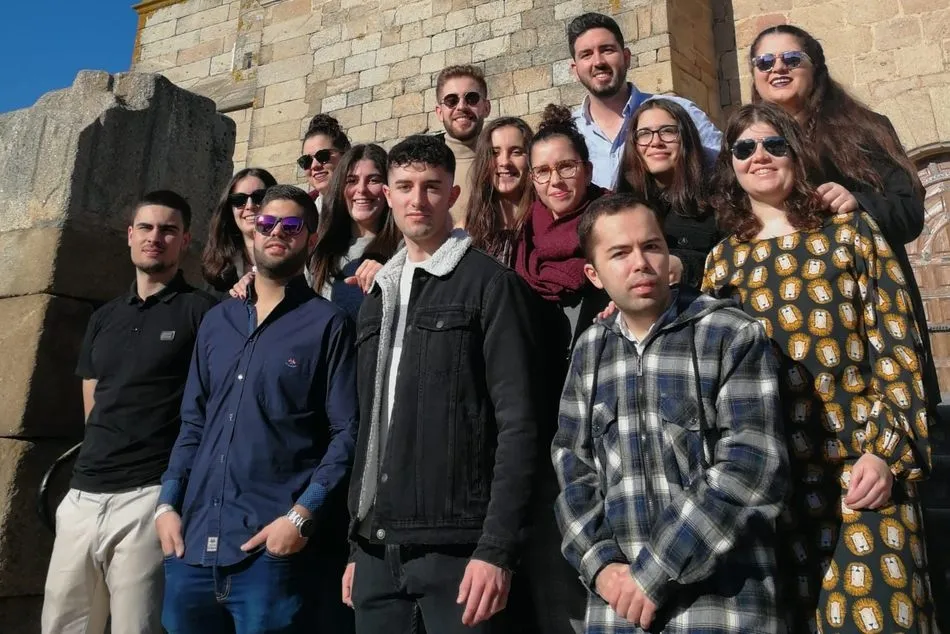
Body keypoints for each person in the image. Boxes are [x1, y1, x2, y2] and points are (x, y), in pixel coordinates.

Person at [702, 102, 937, 633]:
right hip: (773, 491)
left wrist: (885, 452)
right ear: (731, 165)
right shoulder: (721, 264)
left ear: (797, 154)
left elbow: (897, 345)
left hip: (862, 471)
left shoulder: (850, 234)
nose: (759, 156)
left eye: (774, 144)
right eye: (744, 148)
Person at [554, 192, 788, 633]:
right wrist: (602, 567)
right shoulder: (589, 351)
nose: (640, 263)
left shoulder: (729, 334)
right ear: (594, 274)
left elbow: (752, 466)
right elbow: (573, 471)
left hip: (722, 609)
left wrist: (654, 573)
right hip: (619, 612)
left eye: (652, 246)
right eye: (620, 253)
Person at [342, 135, 539, 634]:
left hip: (459, 551)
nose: (418, 199)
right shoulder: (376, 297)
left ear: (452, 195)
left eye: (431, 187)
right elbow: (369, 425)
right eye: (405, 186)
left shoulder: (491, 285)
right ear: (387, 195)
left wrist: (496, 548)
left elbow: (519, 424)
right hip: (375, 551)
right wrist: (356, 545)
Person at [156, 185, 359, 634]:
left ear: (310, 238)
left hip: (270, 553)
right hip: (192, 547)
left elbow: (347, 432)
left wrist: (301, 516)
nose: (277, 233)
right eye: (267, 223)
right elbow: (193, 423)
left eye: (292, 226)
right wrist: (166, 504)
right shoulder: (217, 321)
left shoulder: (328, 325)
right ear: (253, 232)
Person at [42, 191, 216, 634]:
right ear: (130, 235)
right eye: (146, 227)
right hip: (83, 494)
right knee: (61, 624)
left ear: (185, 240)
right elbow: (93, 394)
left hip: (149, 495)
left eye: (168, 230)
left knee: (135, 627)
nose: (155, 237)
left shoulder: (203, 312)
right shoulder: (105, 317)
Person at [749, 24, 939, 412]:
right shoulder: (745, 144)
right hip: (786, 317)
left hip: (864, 314)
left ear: (816, 67)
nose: (777, 68)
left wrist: (860, 201)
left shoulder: (865, 129)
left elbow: (908, 211)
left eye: (792, 58)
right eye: (764, 61)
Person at [510, 104, 611, 634]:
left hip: (612, 430)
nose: (556, 180)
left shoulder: (615, 226)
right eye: (543, 171)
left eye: (566, 167)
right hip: (548, 433)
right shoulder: (520, 244)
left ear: (587, 169)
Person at [567, 12, 721, 189]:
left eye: (607, 50)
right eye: (586, 55)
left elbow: (725, 169)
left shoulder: (681, 112)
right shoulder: (569, 133)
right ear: (575, 70)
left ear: (626, 58)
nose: (598, 62)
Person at [616, 99, 722, 288]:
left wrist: (685, 266)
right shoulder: (620, 205)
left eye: (668, 131)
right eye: (644, 134)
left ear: (686, 138)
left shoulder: (717, 200)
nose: (656, 142)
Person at [307, 143, 401, 320]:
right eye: (351, 181)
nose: (362, 190)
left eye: (373, 180)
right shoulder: (320, 253)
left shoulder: (404, 249)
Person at [464, 116, 534, 266]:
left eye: (516, 152)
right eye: (494, 153)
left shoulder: (546, 221)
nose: (504, 162)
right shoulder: (466, 230)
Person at [201, 168, 277, 294]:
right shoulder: (218, 271)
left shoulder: (294, 261)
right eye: (239, 200)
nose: (250, 206)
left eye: (259, 197)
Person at [434, 64, 492, 226]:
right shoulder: (422, 163)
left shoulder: (503, 161)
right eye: (451, 101)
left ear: (486, 108)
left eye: (471, 98)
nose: (461, 106)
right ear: (440, 112)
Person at [299, 113, 351, 209]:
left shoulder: (366, 207)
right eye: (306, 160)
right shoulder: (303, 213)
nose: (314, 165)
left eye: (323, 156)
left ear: (345, 156)